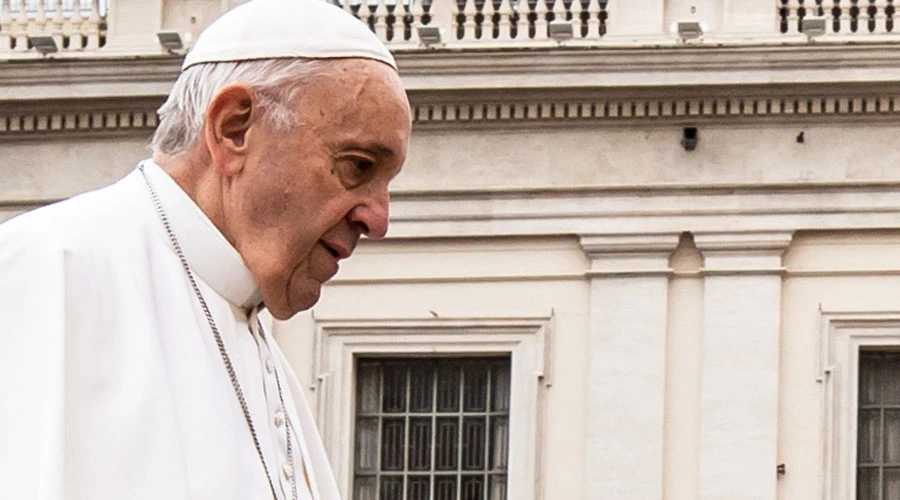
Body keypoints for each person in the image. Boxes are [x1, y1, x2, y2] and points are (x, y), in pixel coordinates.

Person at [0, 0, 411, 498]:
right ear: (233, 129)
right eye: (358, 166)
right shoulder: (48, 273)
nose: (378, 219)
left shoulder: (261, 350)